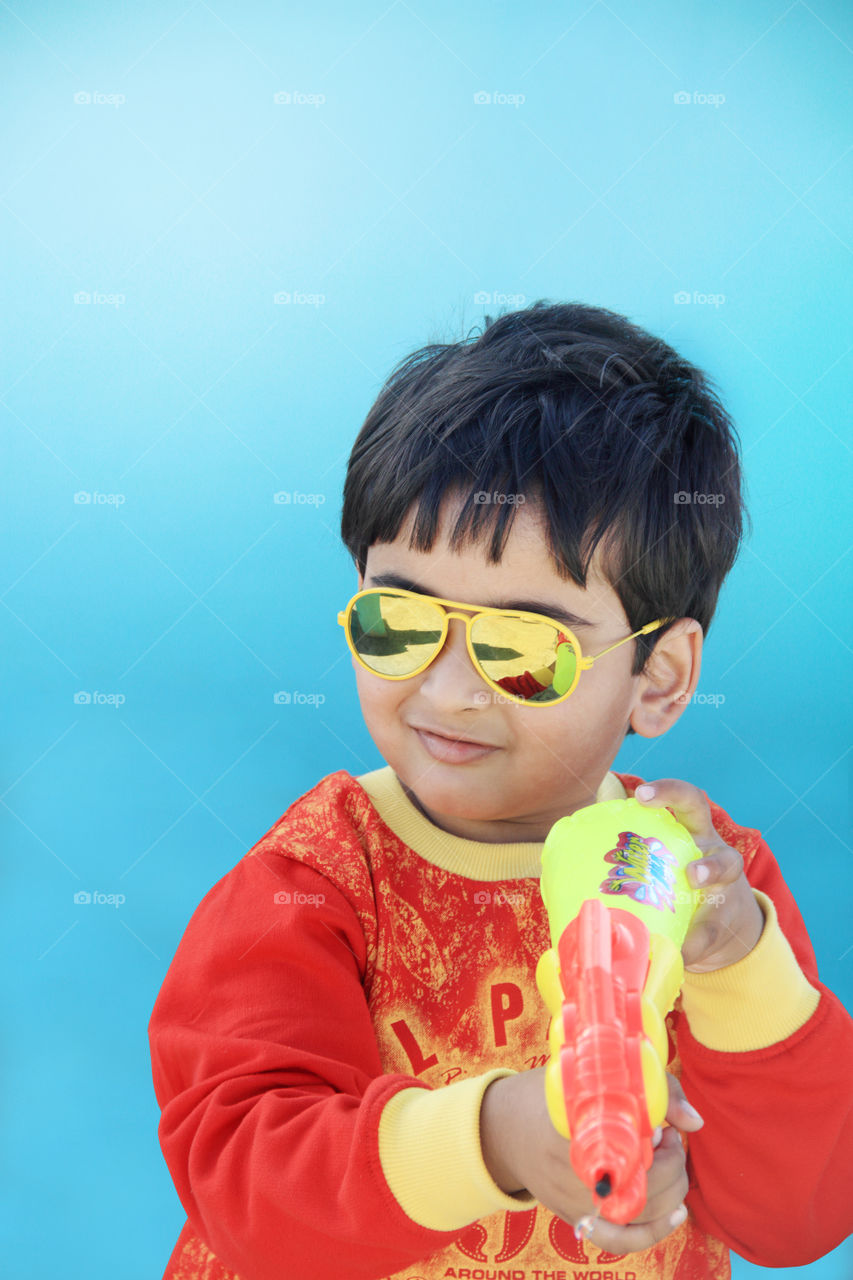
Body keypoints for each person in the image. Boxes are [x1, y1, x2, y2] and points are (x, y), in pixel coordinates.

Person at [148, 301, 853, 1280]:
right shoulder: (308, 881)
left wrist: (738, 962)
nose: (445, 686)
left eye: (522, 649)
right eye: (398, 620)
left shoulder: (704, 885)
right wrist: (498, 1136)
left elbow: (798, 1215)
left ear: (658, 677)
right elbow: (251, 1190)